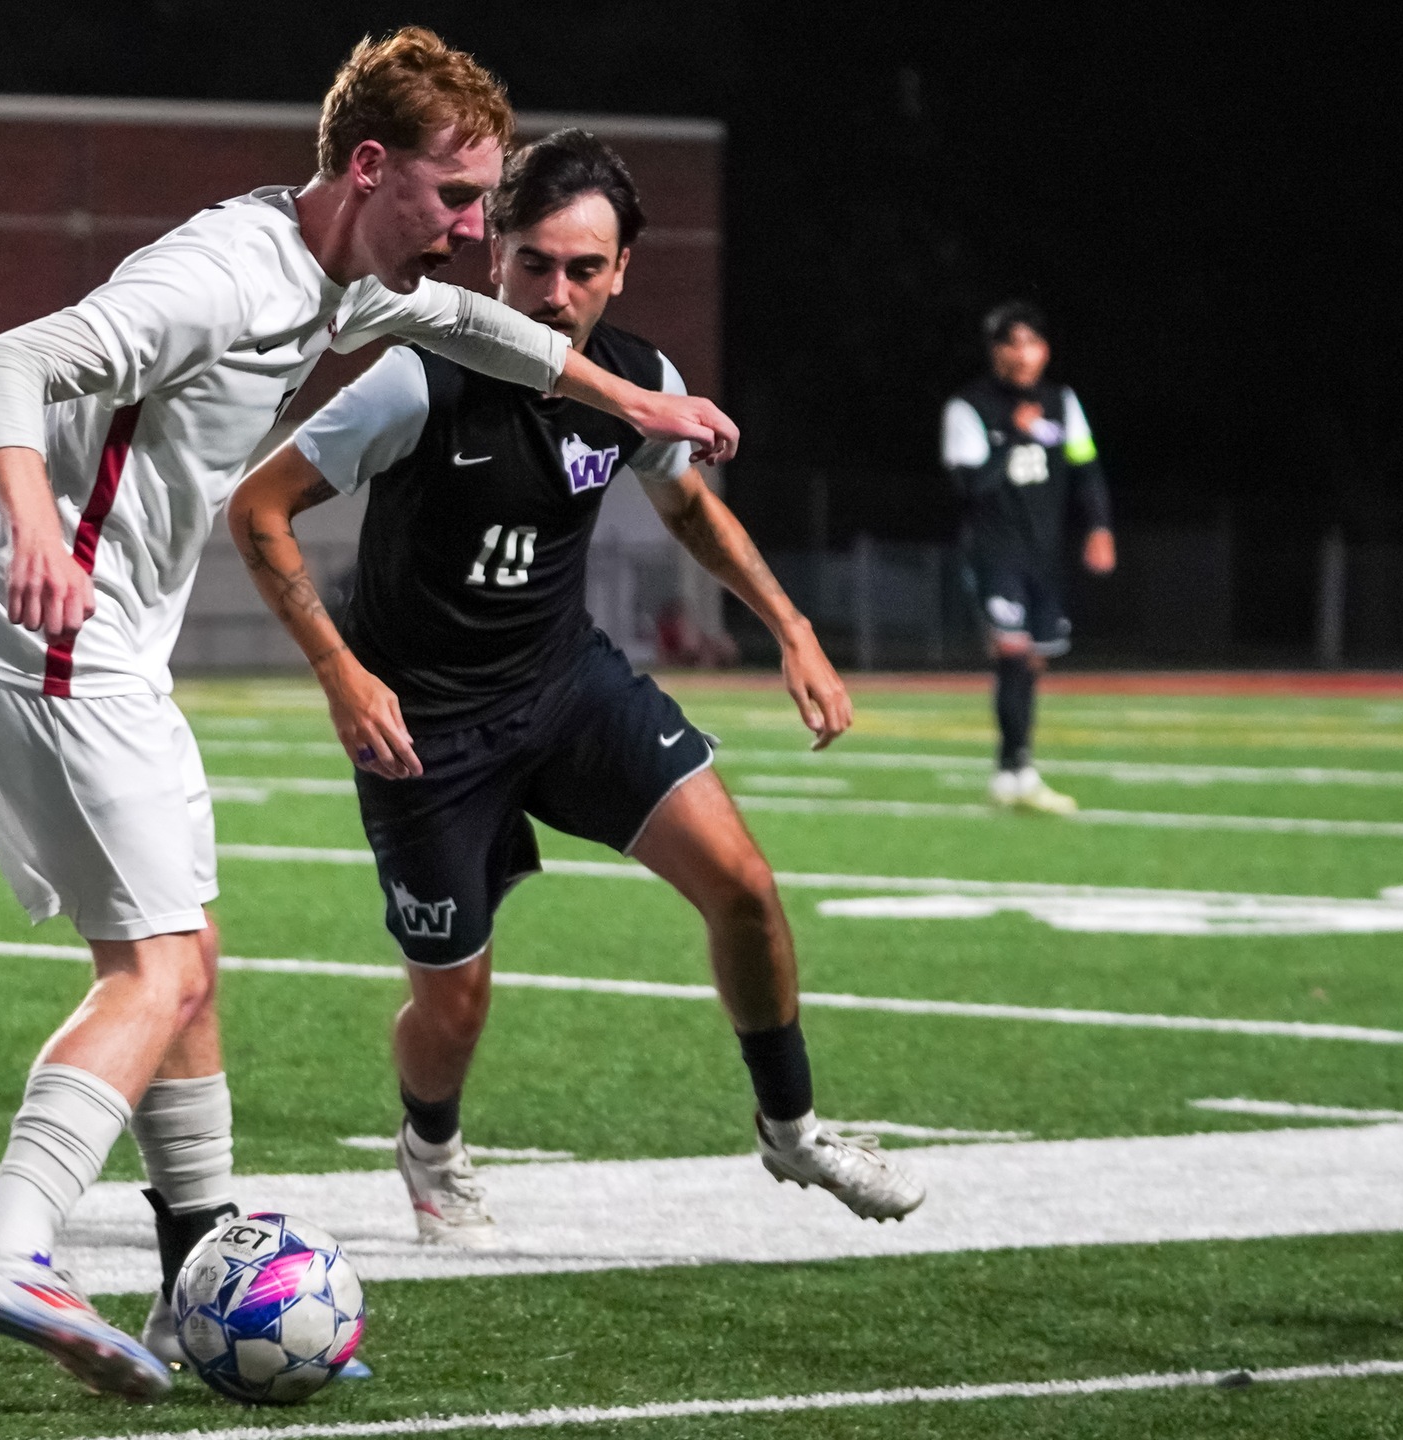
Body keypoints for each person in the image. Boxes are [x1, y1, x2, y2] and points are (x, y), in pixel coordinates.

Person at [0, 33, 738, 1401]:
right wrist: (33, 533)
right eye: (456, 196)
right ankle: (7, 1244)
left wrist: (637, 400)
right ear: (368, 167)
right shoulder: (223, 275)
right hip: (52, 631)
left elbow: (478, 329)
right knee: (156, 975)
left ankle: (191, 1283)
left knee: (191, 958)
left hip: (103, 644)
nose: (475, 228)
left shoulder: (338, 275)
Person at [227, 129, 922, 1248]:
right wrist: (339, 672)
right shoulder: (419, 378)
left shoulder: (640, 382)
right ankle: (431, 1148)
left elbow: (688, 503)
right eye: (535, 264)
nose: (556, 295)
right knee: (453, 1006)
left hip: (562, 688)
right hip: (426, 730)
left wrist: (792, 627)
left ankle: (792, 1129)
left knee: (743, 885)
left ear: (621, 271)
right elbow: (256, 508)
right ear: (492, 253)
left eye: (584, 269)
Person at [942, 302, 1113, 813]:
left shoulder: (1062, 401)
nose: (1023, 354)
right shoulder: (968, 407)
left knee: (1033, 660)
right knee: (1012, 651)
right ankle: (1011, 770)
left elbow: (1085, 467)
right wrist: (1014, 432)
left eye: (1032, 343)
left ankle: (1018, 767)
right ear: (995, 351)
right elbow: (970, 488)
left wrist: (1100, 527)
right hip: (994, 552)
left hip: (1044, 554)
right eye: (1012, 343)